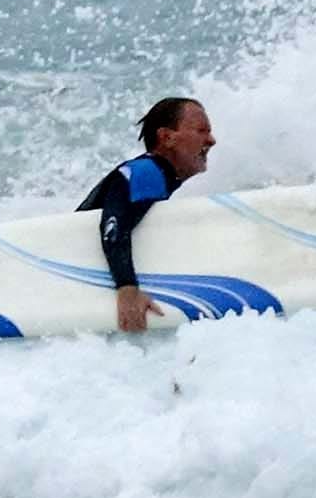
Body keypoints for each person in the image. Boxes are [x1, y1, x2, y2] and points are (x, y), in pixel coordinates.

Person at [77, 96, 215, 333]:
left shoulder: (156, 173)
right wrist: (127, 288)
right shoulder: (148, 171)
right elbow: (113, 226)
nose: (211, 140)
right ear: (167, 137)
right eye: (202, 131)